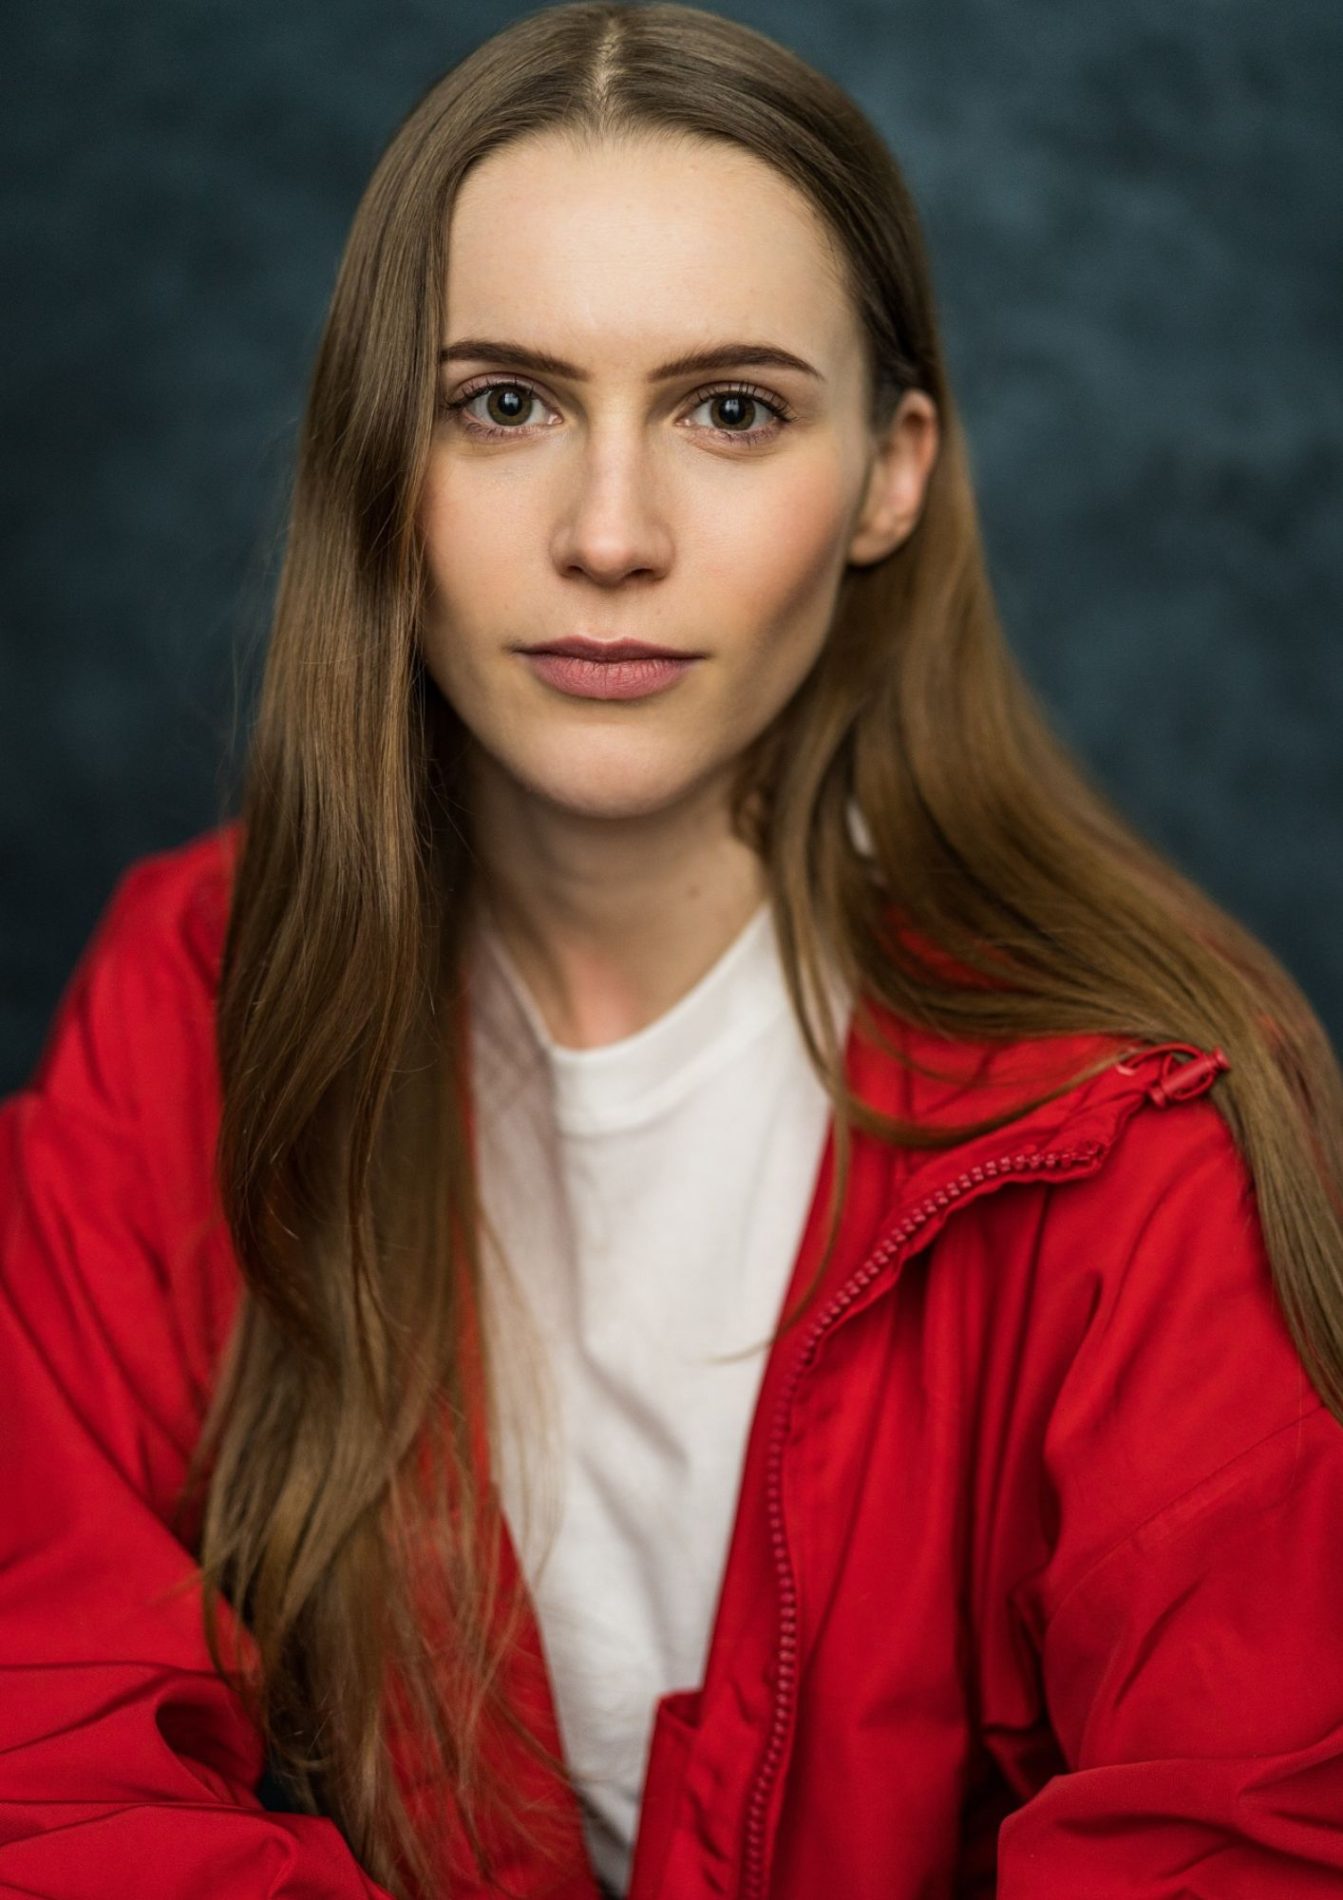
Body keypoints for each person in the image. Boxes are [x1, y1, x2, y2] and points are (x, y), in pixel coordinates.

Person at [3, 3, 1342, 1896]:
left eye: (733, 410)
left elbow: (1254, 1841)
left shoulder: (1139, 1126)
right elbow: (41, 1758)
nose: (609, 533)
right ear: (381, 463)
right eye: (505, 403)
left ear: (890, 475)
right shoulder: (193, 995)